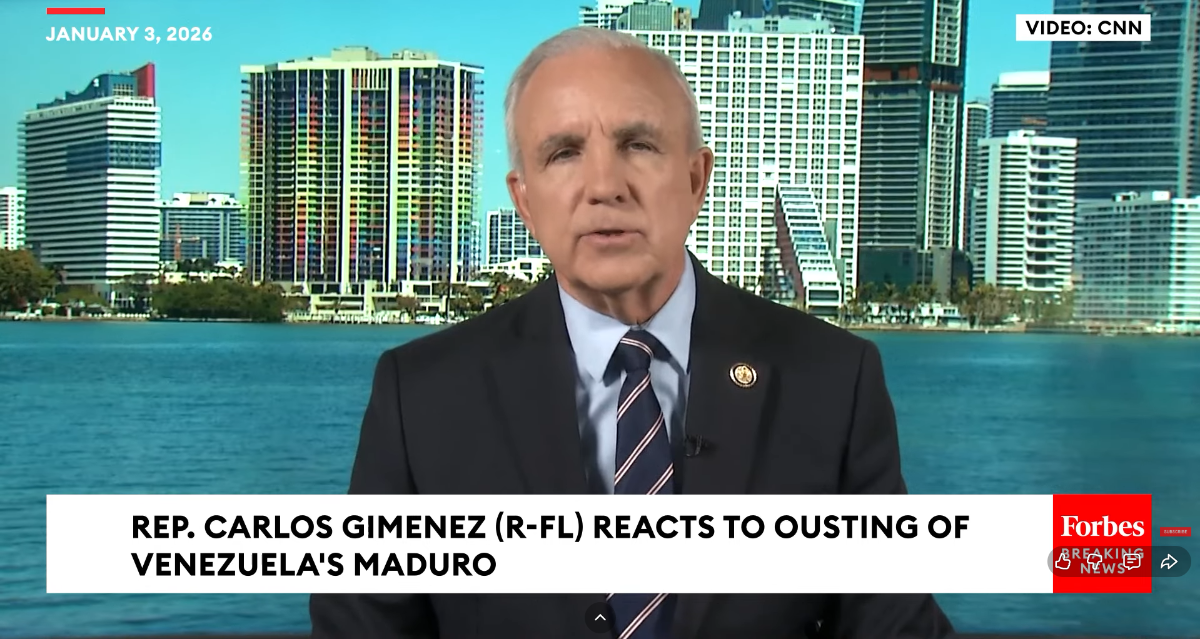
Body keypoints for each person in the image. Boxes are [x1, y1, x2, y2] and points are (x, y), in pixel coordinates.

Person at [310, 25, 956, 639]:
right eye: (563, 153)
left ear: (696, 179)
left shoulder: (833, 379)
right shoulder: (421, 393)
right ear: (526, 200)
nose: (603, 187)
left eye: (638, 146)